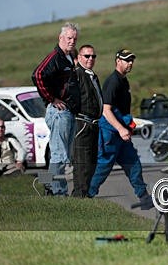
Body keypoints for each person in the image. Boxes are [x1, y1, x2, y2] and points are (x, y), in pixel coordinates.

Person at [88, 49, 153, 209]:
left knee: (133, 163)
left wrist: (127, 125)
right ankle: (86, 196)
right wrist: (120, 128)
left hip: (120, 132)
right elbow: (106, 110)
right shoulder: (113, 81)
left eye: (131, 60)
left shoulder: (124, 81)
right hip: (110, 132)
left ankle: (144, 197)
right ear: (118, 61)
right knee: (103, 167)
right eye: (126, 60)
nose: (130, 63)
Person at [32, 22, 81, 196]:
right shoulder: (55, 57)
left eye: (75, 38)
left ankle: (48, 186)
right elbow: (38, 74)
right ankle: (59, 192)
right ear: (61, 38)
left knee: (60, 154)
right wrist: (51, 98)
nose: (72, 41)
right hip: (59, 112)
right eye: (69, 38)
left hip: (68, 111)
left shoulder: (68, 57)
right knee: (60, 155)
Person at [72, 45, 102, 197]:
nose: (90, 59)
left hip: (94, 123)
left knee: (92, 162)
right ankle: (79, 196)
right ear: (79, 58)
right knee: (82, 162)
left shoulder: (92, 75)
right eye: (87, 56)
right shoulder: (77, 74)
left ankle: (86, 195)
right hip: (82, 122)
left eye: (93, 56)